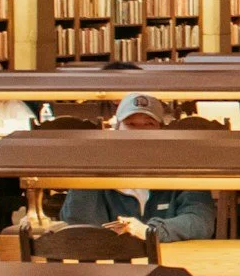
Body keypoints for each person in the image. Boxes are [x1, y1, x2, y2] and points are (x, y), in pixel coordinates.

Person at [55, 94, 215, 242]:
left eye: (148, 124)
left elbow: (200, 221)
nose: (140, 132)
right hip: (112, 264)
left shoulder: (184, 167)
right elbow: (77, 223)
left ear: (161, 130)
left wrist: (149, 231)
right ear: (117, 130)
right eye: (131, 124)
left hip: (174, 263)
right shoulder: (96, 168)